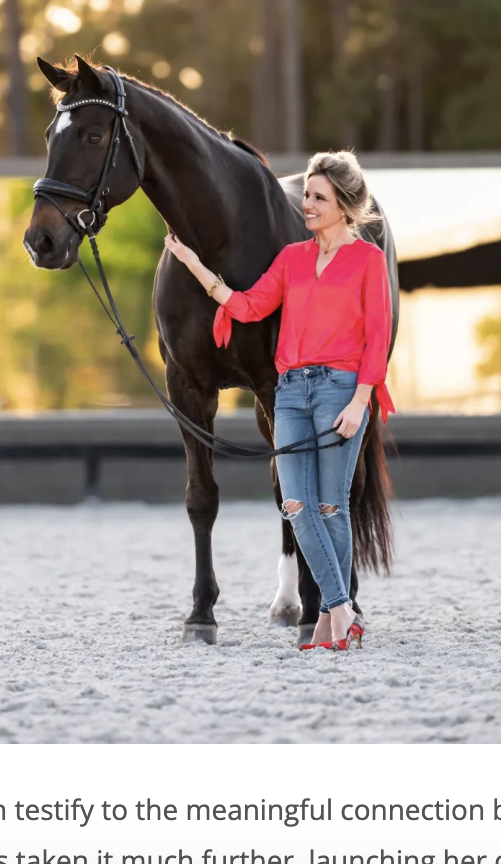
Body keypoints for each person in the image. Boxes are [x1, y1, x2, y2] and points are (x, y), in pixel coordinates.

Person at [163, 151, 392, 652]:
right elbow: (247, 306)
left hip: (339, 392)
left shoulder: (368, 262)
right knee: (296, 505)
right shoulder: (292, 258)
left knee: (332, 507)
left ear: (345, 206)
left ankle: (334, 615)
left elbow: (378, 336)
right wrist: (194, 264)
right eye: (306, 195)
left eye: (317, 198)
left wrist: (360, 401)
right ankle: (343, 609)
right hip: (290, 395)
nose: (306, 205)